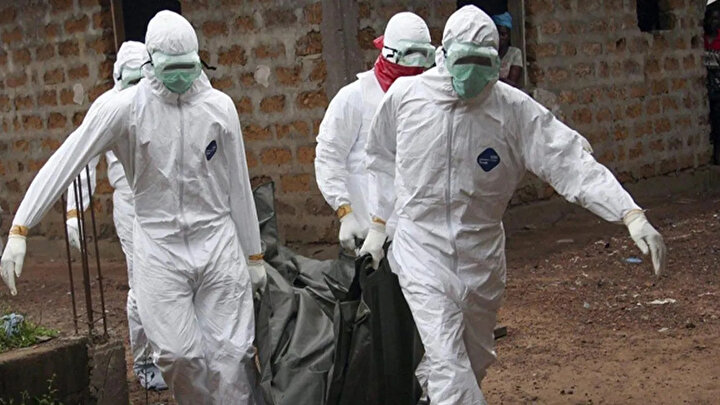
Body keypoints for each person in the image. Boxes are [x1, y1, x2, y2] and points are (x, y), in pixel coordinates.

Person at [360, 6, 667, 404]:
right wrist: (379, 224)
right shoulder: (407, 98)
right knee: (449, 362)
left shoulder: (512, 110)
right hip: (422, 250)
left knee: (473, 359)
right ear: (443, 55)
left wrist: (629, 213)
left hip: (481, 255)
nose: (472, 74)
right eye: (464, 62)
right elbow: (379, 157)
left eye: (482, 63)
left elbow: (568, 160)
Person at [1, 11, 265, 404]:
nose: (181, 77)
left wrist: (253, 254)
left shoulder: (218, 107)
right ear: (151, 63)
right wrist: (21, 227)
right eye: (171, 69)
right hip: (159, 246)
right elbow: (67, 160)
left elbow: (239, 185)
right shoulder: (125, 109)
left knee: (233, 356)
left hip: (216, 239)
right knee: (178, 355)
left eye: (188, 68)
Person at [62, 40, 167, 391]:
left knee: (173, 279)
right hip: (130, 205)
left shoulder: (159, 102)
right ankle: (146, 360)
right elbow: (82, 162)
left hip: (162, 202)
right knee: (141, 283)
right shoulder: (108, 108)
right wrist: (75, 211)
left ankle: (174, 355)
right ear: (118, 77)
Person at [314, 12, 435, 251]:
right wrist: (345, 212)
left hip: (418, 234)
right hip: (369, 232)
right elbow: (329, 156)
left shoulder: (427, 98)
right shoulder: (354, 98)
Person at [705, 0, 720, 163]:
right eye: (710, 18)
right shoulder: (701, 40)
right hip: (706, 86)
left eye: (716, 19)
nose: (712, 22)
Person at [492, 11, 523, 88]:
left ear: (508, 36)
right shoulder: (488, 52)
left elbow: (512, 82)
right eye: (497, 34)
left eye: (503, 34)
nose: (499, 38)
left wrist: (493, 80)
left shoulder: (515, 53)